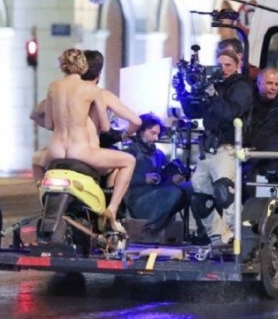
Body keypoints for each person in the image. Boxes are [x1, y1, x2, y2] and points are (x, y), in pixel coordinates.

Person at [43, 48, 136, 233]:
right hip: (80, 151)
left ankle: (47, 205)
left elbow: (48, 123)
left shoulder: (53, 87)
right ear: (83, 65)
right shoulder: (92, 90)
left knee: (37, 165)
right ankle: (112, 210)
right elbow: (106, 127)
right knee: (129, 161)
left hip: (55, 151)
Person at [30, 50, 141, 186]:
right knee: (124, 163)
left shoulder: (55, 88)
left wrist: (61, 125)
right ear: (98, 73)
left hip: (56, 150)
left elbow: (36, 115)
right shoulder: (96, 92)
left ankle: (43, 192)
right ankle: (112, 199)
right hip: (84, 151)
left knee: (36, 159)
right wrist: (122, 135)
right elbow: (133, 121)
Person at [190, 48, 253, 246]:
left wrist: (213, 95)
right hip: (208, 148)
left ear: (237, 66)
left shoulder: (241, 86)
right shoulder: (213, 85)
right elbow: (193, 111)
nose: (224, 69)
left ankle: (238, 234)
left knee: (224, 191)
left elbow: (231, 112)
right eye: (220, 65)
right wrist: (186, 91)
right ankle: (217, 234)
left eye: (228, 65)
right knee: (199, 195)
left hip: (228, 147)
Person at [124, 113, 190, 234]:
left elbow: (162, 181)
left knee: (190, 188)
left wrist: (173, 179)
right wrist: (143, 178)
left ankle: (202, 232)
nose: (156, 138)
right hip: (138, 202)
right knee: (174, 192)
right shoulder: (130, 152)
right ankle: (150, 228)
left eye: (158, 134)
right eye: (153, 133)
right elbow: (118, 180)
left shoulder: (159, 154)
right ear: (141, 131)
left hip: (158, 197)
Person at [246, 68, 278, 184]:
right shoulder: (246, 103)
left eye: (276, 84)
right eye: (269, 83)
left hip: (271, 159)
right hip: (246, 156)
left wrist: (270, 143)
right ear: (259, 84)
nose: (273, 88)